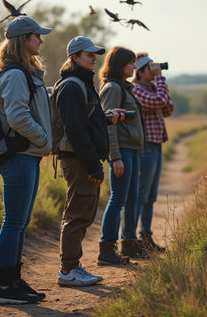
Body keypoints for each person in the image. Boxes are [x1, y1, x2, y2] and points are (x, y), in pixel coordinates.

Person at [0, 16, 53, 305]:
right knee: (14, 221)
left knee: (20, 221)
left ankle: (14, 281)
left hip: (27, 155)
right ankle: (6, 288)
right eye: (36, 36)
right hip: (19, 156)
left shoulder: (25, 72)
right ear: (22, 40)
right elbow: (17, 116)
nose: (41, 40)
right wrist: (41, 138)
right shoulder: (15, 74)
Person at [55, 36, 124, 286]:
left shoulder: (81, 83)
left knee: (82, 213)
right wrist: (94, 165)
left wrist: (106, 118)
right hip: (79, 159)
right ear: (74, 57)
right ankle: (69, 270)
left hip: (82, 157)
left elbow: (83, 121)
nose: (94, 58)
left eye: (95, 55)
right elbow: (75, 130)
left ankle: (72, 266)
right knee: (78, 214)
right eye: (89, 55)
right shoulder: (72, 86)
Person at [97, 46, 146, 264]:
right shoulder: (113, 88)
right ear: (120, 65)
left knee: (133, 199)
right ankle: (106, 249)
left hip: (132, 150)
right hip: (122, 151)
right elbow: (108, 125)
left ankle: (129, 245)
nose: (134, 67)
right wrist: (115, 156)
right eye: (130, 63)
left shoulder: (125, 88)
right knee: (118, 199)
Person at [132, 54, 174, 252]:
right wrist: (161, 80)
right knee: (141, 196)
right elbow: (160, 102)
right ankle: (132, 239)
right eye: (150, 67)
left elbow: (168, 108)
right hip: (145, 146)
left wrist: (158, 84)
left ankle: (146, 238)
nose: (154, 69)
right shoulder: (137, 89)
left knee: (150, 197)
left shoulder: (151, 88)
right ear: (139, 72)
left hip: (156, 145)